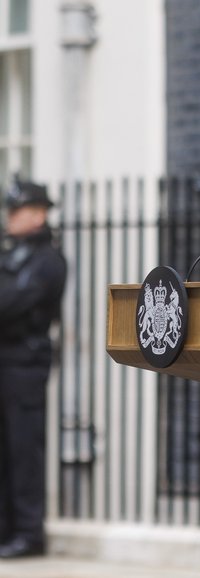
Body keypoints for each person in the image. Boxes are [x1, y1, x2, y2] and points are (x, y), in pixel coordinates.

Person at [0, 180, 66, 558]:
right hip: (4, 358)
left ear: (39, 214)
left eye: (17, 210)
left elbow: (12, 302)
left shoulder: (48, 260)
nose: (10, 217)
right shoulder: (11, 253)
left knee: (24, 448)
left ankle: (28, 533)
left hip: (25, 364)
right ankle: (6, 530)